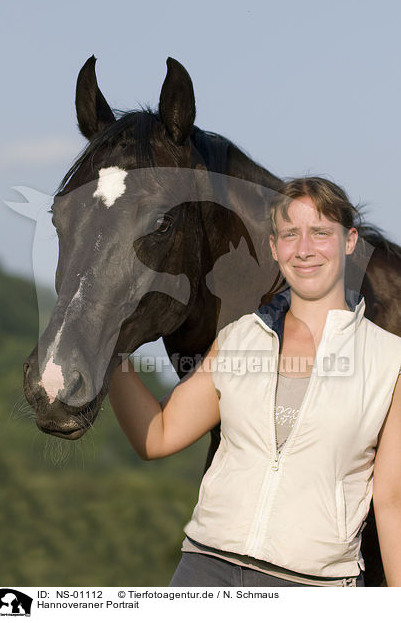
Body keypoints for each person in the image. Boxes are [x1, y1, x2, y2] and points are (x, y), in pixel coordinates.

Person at [109, 176, 401, 587]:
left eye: (320, 233)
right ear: (273, 247)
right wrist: (109, 354)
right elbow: (156, 436)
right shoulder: (238, 339)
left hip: (313, 587)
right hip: (204, 571)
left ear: (350, 241)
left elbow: (391, 504)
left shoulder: (391, 360)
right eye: (289, 234)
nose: (304, 249)